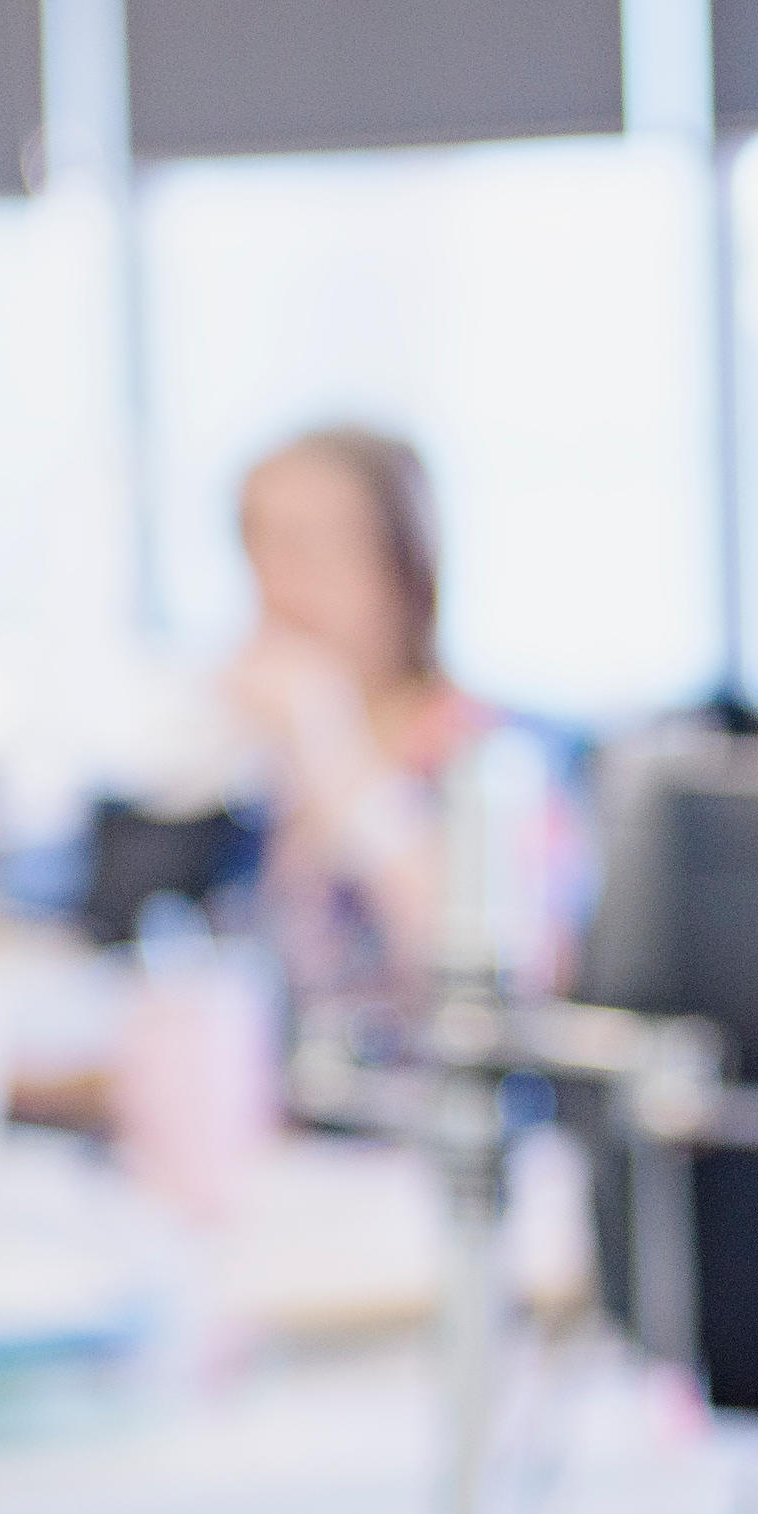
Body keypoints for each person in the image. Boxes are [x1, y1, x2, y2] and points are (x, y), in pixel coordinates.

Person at [221, 423, 568, 1047]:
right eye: (257, 543)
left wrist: (334, 754)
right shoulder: (252, 760)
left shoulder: (483, 756)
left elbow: (524, 987)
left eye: (309, 548)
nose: (276, 582)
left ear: (401, 565)